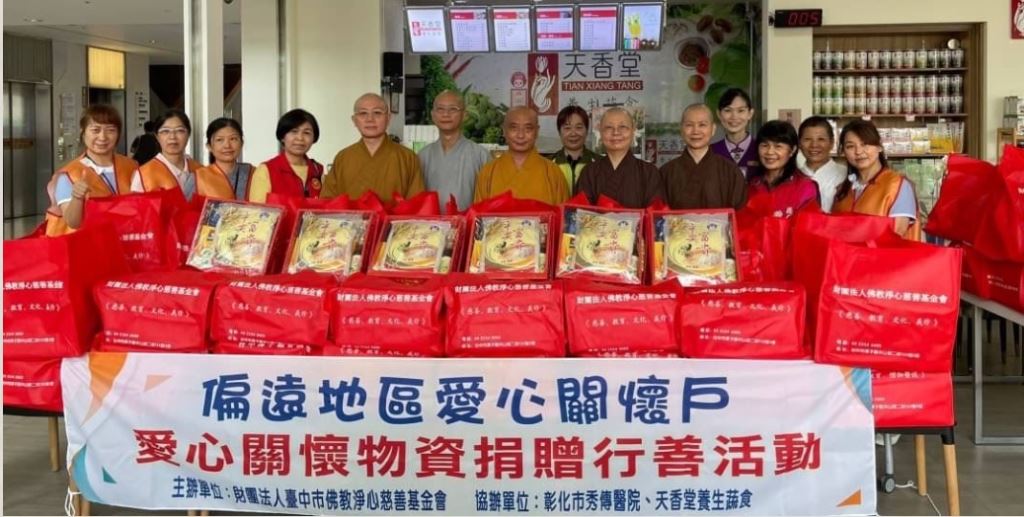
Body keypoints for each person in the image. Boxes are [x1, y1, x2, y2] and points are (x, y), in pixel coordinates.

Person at [44, 104, 139, 235]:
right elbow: (73, 222)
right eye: (95, 130)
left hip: (129, 239)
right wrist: (77, 197)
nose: (103, 137)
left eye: (110, 130)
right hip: (89, 243)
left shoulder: (132, 166)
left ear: (118, 134)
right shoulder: (69, 175)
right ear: (83, 133)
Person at [322, 93, 424, 201]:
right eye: (363, 113)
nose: (370, 119)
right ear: (354, 120)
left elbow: (417, 203)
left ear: (388, 118)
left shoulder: (408, 158)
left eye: (377, 113)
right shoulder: (342, 158)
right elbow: (328, 202)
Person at [833, 119, 920, 240]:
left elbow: (897, 233)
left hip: (884, 252)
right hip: (846, 252)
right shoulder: (842, 190)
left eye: (865, 144)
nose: (858, 151)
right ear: (843, 152)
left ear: (879, 146)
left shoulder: (898, 185)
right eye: (850, 146)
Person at [474, 107, 569, 205]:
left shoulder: (553, 173)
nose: (520, 135)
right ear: (504, 131)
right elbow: (478, 213)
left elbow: (563, 213)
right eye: (514, 128)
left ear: (537, 131)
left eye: (528, 129)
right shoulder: (488, 173)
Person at [660, 103, 747, 210]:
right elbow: (659, 214)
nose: (695, 131)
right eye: (689, 125)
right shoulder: (666, 172)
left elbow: (739, 214)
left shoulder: (731, 171)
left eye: (702, 125)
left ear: (713, 129)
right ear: (681, 129)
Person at [575, 107, 665, 208]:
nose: (616, 132)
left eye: (623, 127)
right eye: (609, 127)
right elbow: (580, 213)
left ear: (633, 130)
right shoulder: (589, 172)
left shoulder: (649, 172)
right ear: (600, 132)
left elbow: (654, 213)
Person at [418, 90, 491, 213]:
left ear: (464, 115)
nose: (446, 114)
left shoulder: (481, 155)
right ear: (433, 115)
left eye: (453, 109)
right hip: (432, 224)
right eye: (440, 109)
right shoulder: (423, 156)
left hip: (469, 223)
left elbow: (489, 202)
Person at [745, 120, 820, 217]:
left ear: (792, 150)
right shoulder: (751, 185)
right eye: (765, 145)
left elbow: (811, 224)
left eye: (778, 146)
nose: (770, 152)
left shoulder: (806, 187)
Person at [248, 109, 325, 203]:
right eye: (294, 131)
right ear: (282, 137)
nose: (300, 138)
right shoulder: (266, 170)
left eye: (306, 133)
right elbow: (258, 210)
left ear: (314, 138)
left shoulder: (318, 170)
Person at [130, 109, 202, 199]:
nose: (172, 137)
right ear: (157, 136)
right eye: (165, 131)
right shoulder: (143, 175)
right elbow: (137, 206)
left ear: (188, 134)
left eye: (179, 131)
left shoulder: (200, 170)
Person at [193, 118, 252, 200]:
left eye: (233, 139)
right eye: (219, 140)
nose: (227, 145)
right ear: (209, 146)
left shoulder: (254, 174)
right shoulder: (197, 178)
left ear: (242, 143)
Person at [797, 116, 846, 212]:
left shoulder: (846, 176)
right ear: (799, 144)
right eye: (807, 139)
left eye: (821, 139)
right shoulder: (793, 178)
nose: (814, 145)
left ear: (832, 143)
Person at [710, 88, 759, 178]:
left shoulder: (761, 150)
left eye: (741, 111)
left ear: (750, 114)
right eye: (728, 110)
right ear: (719, 114)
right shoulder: (710, 152)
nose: (734, 117)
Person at [548, 105, 598, 190]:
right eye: (567, 128)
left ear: (586, 131)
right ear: (559, 132)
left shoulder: (599, 163)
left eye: (579, 127)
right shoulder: (548, 164)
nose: (573, 133)